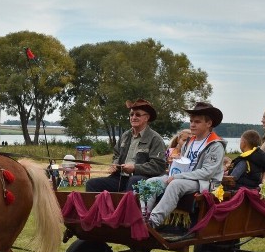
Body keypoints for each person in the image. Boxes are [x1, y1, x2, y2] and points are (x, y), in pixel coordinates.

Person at [145, 102, 226, 231]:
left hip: (204, 183)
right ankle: (143, 216)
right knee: (150, 182)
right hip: (184, 178)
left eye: (197, 122)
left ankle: (153, 222)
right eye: (191, 121)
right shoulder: (190, 141)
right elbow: (185, 163)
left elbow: (207, 173)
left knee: (175, 184)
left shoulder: (215, 145)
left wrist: (178, 176)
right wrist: (176, 164)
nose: (192, 124)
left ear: (209, 123)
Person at [85, 98, 167, 192]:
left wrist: (135, 168)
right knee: (91, 184)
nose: (133, 117)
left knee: (133, 180)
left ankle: (126, 206)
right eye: (131, 114)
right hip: (120, 178)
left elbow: (158, 166)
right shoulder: (125, 135)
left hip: (142, 180)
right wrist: (115, 164)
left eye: (138, 114)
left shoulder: (155, 139)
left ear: (146, 118)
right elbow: (116, 154)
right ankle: (100, 207)